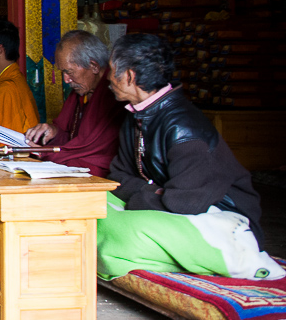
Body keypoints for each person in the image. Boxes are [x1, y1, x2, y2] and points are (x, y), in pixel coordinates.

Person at [97, 34, 280, 280]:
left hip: (220, 222)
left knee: (122, 231)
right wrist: (154, 191)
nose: (108, 78)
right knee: (93, 204)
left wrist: (141, 196)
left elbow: (184, 204)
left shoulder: (185, 127)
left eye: (111, 70)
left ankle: (226, 259)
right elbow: (118, 176)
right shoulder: (136, 117)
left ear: (129, 76)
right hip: (166, 210)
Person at [24, 30, 124, 176]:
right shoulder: (82, 91)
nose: (66, 80)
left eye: (69, 72)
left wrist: (46, 155)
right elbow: (71, 137)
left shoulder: (114, 95)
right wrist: (54, 132)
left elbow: (99, 156)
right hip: (73, 164)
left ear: (94, 66)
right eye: (63, 72)